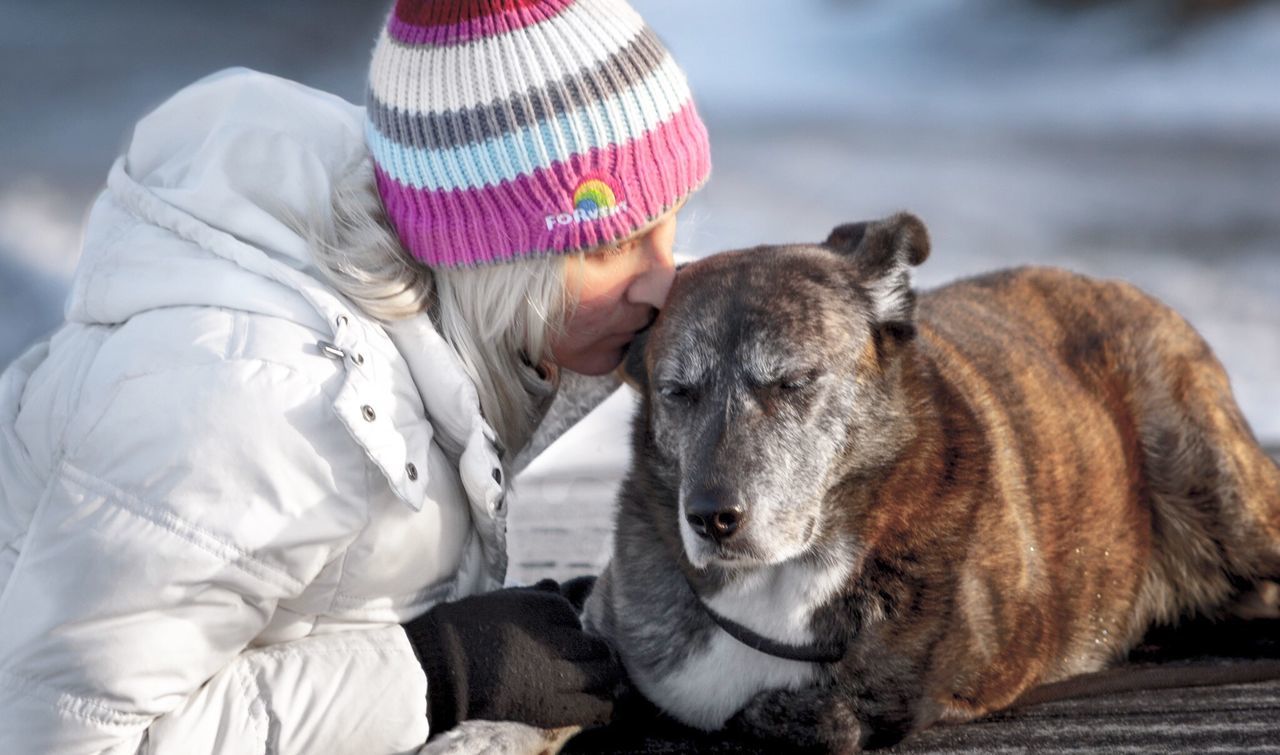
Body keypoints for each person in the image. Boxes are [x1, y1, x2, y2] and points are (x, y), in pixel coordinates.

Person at [0, 0, 712, 751]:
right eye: (612, 245)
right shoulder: (257, 408)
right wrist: (437, 671)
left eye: (670, 225)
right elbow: (55, 735)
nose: (661, 283)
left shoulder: (450, 321)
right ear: (493, 257)